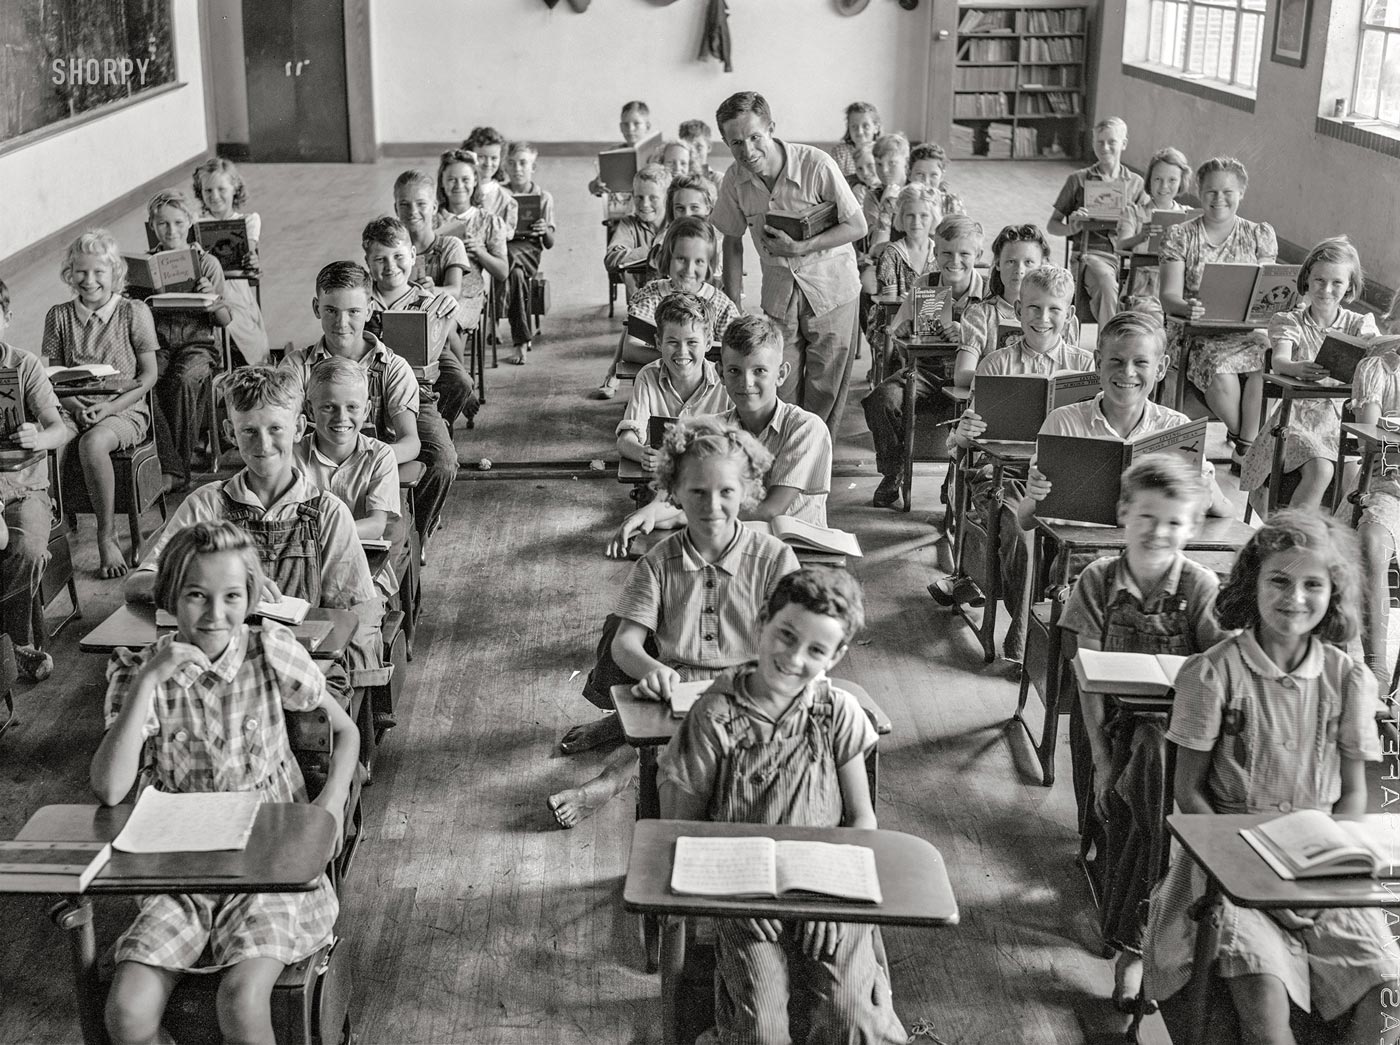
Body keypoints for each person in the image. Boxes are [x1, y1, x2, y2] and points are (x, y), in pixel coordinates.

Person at [95, 521, 357, 1045]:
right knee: (126, 1014)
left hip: (270, 866)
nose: (215, 615)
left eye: (232, 596)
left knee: (240, 1002)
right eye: (196, 596)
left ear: (251, 597)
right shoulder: (139, 670)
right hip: (181, 870)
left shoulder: (270, 651)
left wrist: (326, 810)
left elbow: (345, 730)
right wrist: (149, 680)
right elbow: (108, 789)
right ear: (171, 595)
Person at [1144, 510, 1399, 1042]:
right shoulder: (1212, 672)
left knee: (1387, 990)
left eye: (1314, 584)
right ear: (1251, 585)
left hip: (1319, 868)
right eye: (1279, 580)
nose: (1295, 598)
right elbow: (1188, 794)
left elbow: (1353, 797)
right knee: (1264, 999)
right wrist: (1259, 884)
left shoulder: (1348, 677)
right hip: (1226, 868)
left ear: (1335, 594)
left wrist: (1325, 872)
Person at [658, 567, 907, 1045]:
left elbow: (860, 818)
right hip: (744, 894)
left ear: (835, 657)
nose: (794, 657)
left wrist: (835, 902)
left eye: (816, 650)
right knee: (762, 1029)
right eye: (785, 635)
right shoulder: (714, 718)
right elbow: (682, 831)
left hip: (827, 889)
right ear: (762, 623)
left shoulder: (838, 712)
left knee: (849, 1018)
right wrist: (736, 898)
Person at [548, 417, 799, 828]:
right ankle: (609, 784)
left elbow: (794, 635)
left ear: (749, 491)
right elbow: (625, 644)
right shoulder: (658, 563)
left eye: (727, 492)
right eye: (696, 492)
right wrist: (656, 672)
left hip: (752, 685)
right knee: (672, 753)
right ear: (675, 493)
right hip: (678, 684)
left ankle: (612, 773)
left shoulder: (774, 558)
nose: (711, 506)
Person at [1058, 455, 1228, 1011]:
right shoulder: (1097, 581)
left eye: (1175, 523)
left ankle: (1131, 942)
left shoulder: (1201, 586)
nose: (1160, 532)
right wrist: (1103, 758)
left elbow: (1217, 669)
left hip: (1178, 733)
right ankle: (1144, 936)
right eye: (1148, 517)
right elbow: (1085, 682)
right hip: (1109, 726)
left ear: (1193, 529)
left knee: (1150, 774)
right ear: (1123, 514)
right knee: (1144, 782)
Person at [608, 313, 832, 552]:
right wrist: (649, 512)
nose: (746, 382)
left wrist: (683, 516)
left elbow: (770, 509)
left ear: (781, 374)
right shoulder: (711, 428)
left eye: (759, 371)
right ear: (721, 374)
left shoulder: (805, 428)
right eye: (735, 371)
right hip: (734, 548)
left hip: (799, 555)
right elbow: (679, 491)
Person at [711, 91, 867, 431]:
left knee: (825, 388)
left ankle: (813, 468)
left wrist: (802, 247)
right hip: (780, 296)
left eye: (755, 137)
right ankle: (780, 461)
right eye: (736, 142)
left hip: (832, 293)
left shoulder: (817, 165)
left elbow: (857, 226)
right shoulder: (734, 180)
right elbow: (732, 240)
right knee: (778, 384)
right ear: (725, 142)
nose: (747, 151)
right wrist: (733, 303)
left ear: (771, 128)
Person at [42, 229, 160, 578]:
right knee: (50, 441)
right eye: (81, 271)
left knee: (94, 443)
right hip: (71, 404)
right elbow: (54, 378)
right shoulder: (58, 316)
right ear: (69, 273)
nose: (89, 280)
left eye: (99, 272)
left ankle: (106, 536)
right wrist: (77, 407)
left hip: (124, 407)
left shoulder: (133, 312)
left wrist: (108, 409)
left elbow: (149, 375)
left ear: (115, 274)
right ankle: (51, 528)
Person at [1240, 237, 1377, 509]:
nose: (1326, 289)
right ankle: (1291, 540)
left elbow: (1373, 363)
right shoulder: (1290, 321)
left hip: (1342, 421)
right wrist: (1296, 368)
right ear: (1307, 279)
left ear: (1350, 286)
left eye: (1337, 282)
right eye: (1319, 280)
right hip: (1297, 420)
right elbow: (1279, 361)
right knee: (1322, 469)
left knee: (1354, 476)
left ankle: (1333, 545)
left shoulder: (1359, 324)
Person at [1158, 156, 1276, 469]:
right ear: (1199, 191)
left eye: (1228, 192)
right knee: (1221, 366)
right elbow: (1168, 297)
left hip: (1244, 332)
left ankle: (1244, 446)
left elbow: (1267, 292)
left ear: (1242, 193)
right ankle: (1247, 444)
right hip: (1194, 332)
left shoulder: (1257, 235)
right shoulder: (1180, 236)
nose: (1219, 199)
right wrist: (1188, 307)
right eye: (1211, 191)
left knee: (1268, 360)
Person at [863, 216, 989, 509]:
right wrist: (903, 332)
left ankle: (954, 479)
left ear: (978, 256)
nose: (954, 261)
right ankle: (893, 471)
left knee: (966, 414)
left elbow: (993, 350)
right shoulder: (925, 285)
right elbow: (898, 339)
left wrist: (967, 336)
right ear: (935, 253)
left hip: (964, 378)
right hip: (924, 373)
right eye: (946, 253)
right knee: (881, 399)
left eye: (964, 254)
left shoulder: (986, 296)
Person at [0, 279, 72, 681]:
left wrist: (37, 437)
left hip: (23, 485)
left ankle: (15, 643)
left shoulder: (23, 365)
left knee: (25, 546)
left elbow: (58, 430)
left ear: (7, 319)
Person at [143, 189, 233, 492]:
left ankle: (177, 471)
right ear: (152, 226)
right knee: (145, 381)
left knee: (183, 380)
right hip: (159, 345)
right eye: (163, 224)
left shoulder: (207, 265)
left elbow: (225, 321)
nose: (172, 231)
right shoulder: (145, 266)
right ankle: (164, 463)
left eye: (179, 223)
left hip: (199, 346)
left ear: (190, 222)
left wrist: (211, 298)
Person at [1335, 291, 1400, 689]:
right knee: (1373, 541)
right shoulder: (1379, 367)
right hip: (1389, 481)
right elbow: (1369, 440)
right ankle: (1375, 665)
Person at [597, 217, 739, 397]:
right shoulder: (652, 295)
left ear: (710, 264)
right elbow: (630, 349)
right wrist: (682, 358)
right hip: (657, 389)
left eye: (699, 262)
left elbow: (735, 352)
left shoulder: (721, 303)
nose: (689, 269)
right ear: (667, 259)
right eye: (681, 259)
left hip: (709, 395)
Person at [392, 169, 479, 421]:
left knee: (443, 315)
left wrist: (431, 289)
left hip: (443, 315)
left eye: (421, 204)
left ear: (434, 207)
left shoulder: (450, 245)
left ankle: (446, 411)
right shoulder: (394, 252)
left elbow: (455, 289)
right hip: (404, 326)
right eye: (404, 205)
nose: (412, 211)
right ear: (396, 208)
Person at [1047, 116, 1149, 326]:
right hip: (1089, 253)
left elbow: (1147, 223)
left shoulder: (1137, 184)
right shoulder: (1078, 180)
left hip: (1126, 255)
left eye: (1112, 141)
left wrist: (1131, 221)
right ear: (1093, 144)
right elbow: (1052, 225)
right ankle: (1110, 345)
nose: (1105, 147)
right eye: (1099, 142)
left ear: (1124, 144)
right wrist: (1072, 226)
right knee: (1106, 283)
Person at [616, 293, 730, 469]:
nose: (682, 352)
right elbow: (625, 440)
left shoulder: (726, 382)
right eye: (672, 342)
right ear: (658, 342)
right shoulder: (647, 378)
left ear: (708, 343)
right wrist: (643, 454)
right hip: (663, 480)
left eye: (692, 342)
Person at [954, 223, 1068, 388]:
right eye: (1011, 261)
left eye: (1028, 262)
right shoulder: (981, 315)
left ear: (1042, 265)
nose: (1019, 269)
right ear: (998, 264)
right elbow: (962, 375)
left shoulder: (1059, 317)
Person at [191, 157, 270, 364]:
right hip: (205, 287)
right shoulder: (194, 222)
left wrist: (252, 261)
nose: (214, 196)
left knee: (240, 325)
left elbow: (248, 252)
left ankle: (242, 363)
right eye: (208, 191)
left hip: (235, 289)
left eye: (221, 189)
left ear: (234, 188)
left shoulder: (248, 220)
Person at [1116, 146, 1192, 323]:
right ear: (1149, 180)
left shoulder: (1188, 216)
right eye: (1158, 179)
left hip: (1178, 288)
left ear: (1181, 182)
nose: (1164, 186)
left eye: (1172, 180)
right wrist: (1140, 236)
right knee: (1157, 318)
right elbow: (1120, 245)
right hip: (1141, 289)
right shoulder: (1133, 213)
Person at [502, 141, 556, 358]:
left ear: (533, 167)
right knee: (514, 274)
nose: (517, 169)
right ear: (505, 166)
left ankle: (512, 335)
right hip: (504, 247)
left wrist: (544, 229)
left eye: (523, 163)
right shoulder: (499, 194)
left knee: (508, 264)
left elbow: (550, 242)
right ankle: (521, 340)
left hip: (528, 250)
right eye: (512, 164)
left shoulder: (544, 197)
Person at [605, 164, 670, 304]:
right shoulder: (629, 224)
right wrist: (653, 254)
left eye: (653, 198)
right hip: (640, 307)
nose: (645, 204)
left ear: (667, 198)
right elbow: (611, 259)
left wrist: (632, 255)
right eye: (639, 197)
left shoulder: (676, 225)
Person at [908, 142, 965, 218]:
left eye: (933, 175)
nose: (926, 181)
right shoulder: (900, 203)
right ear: (909, 174)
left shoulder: (951, 204)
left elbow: (962, 228)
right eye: (920, 174)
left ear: (942, 176)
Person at [828, 101, 881, 177]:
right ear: (848, 128)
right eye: (854, 126)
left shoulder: (883, 151)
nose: (860, 132)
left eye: (865, 126)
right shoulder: (840, 153)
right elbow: (836, 182)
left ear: (876, 128)